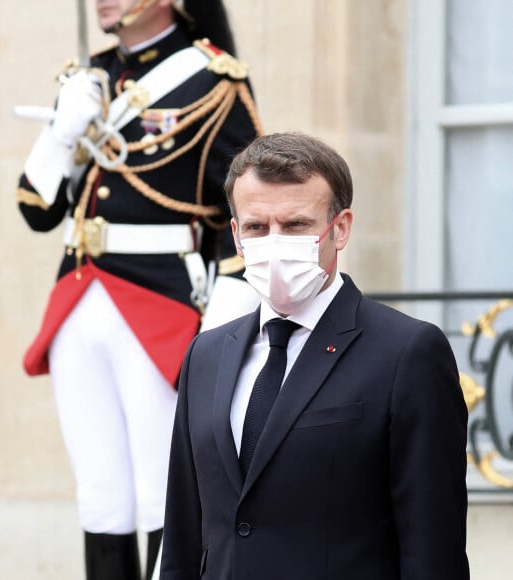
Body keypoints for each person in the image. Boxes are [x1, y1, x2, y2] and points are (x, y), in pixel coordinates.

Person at [15, 1, 262, 578]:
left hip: (164, 306)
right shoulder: (89, 78)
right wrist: (61, 133)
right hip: (80, 298)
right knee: (99, 494)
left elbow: (249, 207)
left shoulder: (213, 79)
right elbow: (36, 209)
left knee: (163, 493)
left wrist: (225, 315)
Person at [160, 131, 470, 580]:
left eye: (295, 225)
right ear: (235, 233)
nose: (273, 242)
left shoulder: (408, 353)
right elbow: (185, 536)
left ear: (340, 228)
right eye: (256, 227)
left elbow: (432, 549)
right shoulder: (206, 354)